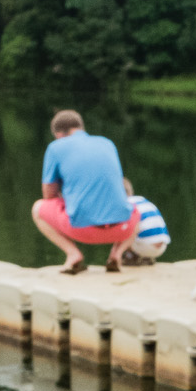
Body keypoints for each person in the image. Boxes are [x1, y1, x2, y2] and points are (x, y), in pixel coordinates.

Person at [33, 109, 141, 273]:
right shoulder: (107, 143)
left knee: (38, 208)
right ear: (80, 127)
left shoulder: (56, 148)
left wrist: (66, 195)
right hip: (122, 228)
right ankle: (116, 254)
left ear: (60, 134)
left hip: (82, 230)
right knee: (136, 211)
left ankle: (73, 254)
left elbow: (48, 195)